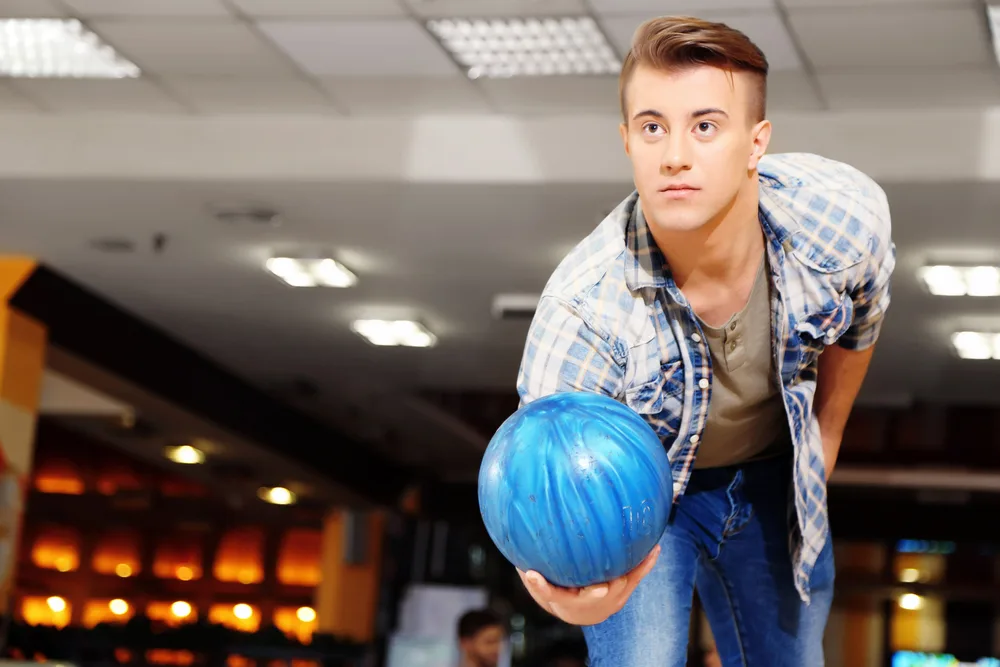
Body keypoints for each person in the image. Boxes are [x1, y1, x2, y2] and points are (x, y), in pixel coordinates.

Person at [514, 14, 895, 667]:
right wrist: (568, 590)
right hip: (643, 496)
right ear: (628, 142)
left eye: (706, 126)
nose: (675, 155)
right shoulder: (583, 313)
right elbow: (543, 492)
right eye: (652, 126)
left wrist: (827, 436)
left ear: (756, 142)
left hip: (776, 476)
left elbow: (862, 319)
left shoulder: (840, 220)